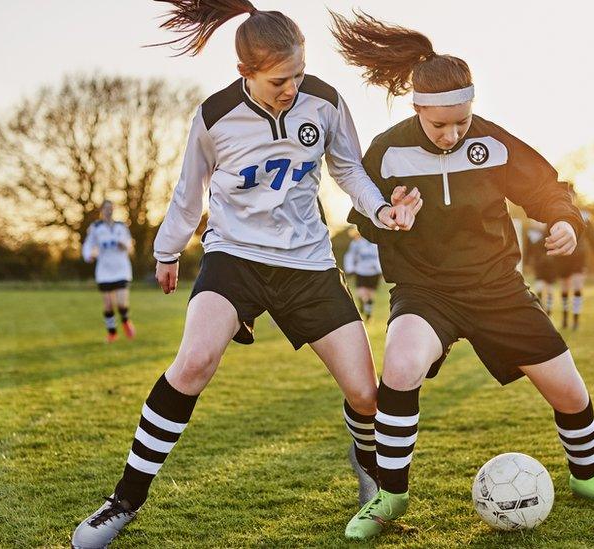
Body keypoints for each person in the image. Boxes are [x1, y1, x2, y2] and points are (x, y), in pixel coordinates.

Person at [71, 2, 422, 548]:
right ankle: (122, 503)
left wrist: (381, 211)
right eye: (281, 79)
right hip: (235, 258)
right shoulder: (214, 115)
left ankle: (370, 478)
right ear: (245, 74)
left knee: (365, 396)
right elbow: (189, 196)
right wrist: (167, 253)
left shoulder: (325, 102)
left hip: (308, 264)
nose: (293, 87)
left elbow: (348, 168)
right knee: (193, 364)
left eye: (299, 73)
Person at [330, 10, 594, 541]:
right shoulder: (388, 149)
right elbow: (363, 216)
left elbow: (547, 189)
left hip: (497, 290)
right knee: (400, 367)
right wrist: (391, 218)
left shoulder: (493, 143)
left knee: (569, 392)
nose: (451, 134)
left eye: (461, 121)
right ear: (418, 108)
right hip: (426, 291)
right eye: (439, 124)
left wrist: (565, 221)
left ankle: (588, 478)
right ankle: (391, 494)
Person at [82, 200, 135, 343]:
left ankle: (125, 321)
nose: (108, 211)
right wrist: (89, 255)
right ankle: (112, 333)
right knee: (108, 304)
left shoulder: (121, 226)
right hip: (104, 270)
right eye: (106, 208)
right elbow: (89, 244)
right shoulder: (95, 227)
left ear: (114, 209)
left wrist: (124, 245)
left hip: (121, 269)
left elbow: (129, 244)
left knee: (122, 303)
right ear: (101, 210)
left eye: (111, 208)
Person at [554, 183, 594, 330]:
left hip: (579, 257)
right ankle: (564, 318)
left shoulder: (586, 216)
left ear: (575, 197)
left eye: (571, 195)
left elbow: (592, 238)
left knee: (577, 286)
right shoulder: (556, 216)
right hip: (562, 257)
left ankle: (575, 320)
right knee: (564, 288)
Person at [343, 228, 383, 320]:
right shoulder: (356, 243)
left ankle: (368, 314)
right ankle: (362, 303)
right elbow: (350, 256)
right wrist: (350, 268)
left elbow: (380, 257)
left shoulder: (376, 243)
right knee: (362, 293)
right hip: (361, 271)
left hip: (373, 272)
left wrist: (380, 270)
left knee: (370, 294)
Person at [525, 220, 558, 316]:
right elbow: (528, 250)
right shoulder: (531, 235)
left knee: (549, 287)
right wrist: (527, 262)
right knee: (539, 286)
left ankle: (549, 310)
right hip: (538, 264)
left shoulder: (548, 233)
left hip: (550, 264)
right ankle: (542, 308)